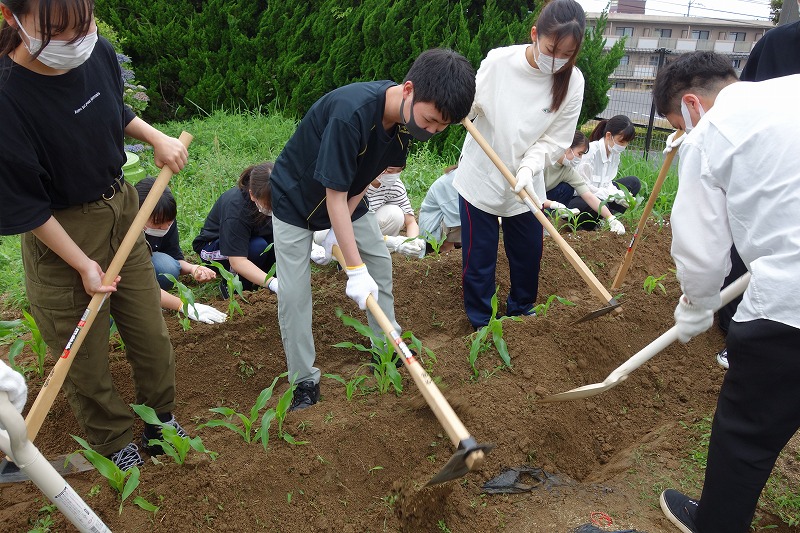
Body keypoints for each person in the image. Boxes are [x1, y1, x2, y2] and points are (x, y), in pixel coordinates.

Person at [0, 0, 188, 470]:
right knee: (84, 358)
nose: (77, 40)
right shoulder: (6, 99)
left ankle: (160, 421)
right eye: (60, 31)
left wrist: (154, 137)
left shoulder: (94, 50)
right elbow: (26, 207)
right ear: (12, 18)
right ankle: (113, 442)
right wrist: (82, 264)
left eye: (84, 24)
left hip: (122, 206)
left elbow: (113, 109)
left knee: (150, 333)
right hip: (61, 232)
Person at [269, 48, 475, 410]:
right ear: (408, 89)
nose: (431, 131)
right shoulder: (351, 114)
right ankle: (303, 380)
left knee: (380, 262)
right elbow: (331, 197)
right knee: (295, 293)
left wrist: (342, 235)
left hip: (347, 195)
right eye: (429, 121)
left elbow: (364, 179)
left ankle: (386, 345)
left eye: (441, 128)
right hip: (295, 199)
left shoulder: (405, 126)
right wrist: (353, 268)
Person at [653, 51, 800, 533]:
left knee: (747, 434)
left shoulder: (711, 134)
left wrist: (695, 305)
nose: (685, 134)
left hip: (789, 305)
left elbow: (700, 250)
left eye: (680, 124)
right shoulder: (791, 89)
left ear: (692, 103)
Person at [453, 0, 586, 330]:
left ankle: (521, 311)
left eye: (566, 55)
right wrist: (459, 110)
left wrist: (528, 168)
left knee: (528, 254)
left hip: (527, 180)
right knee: (479, 259)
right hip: (481, 175)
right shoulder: (500, 62)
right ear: (534, 34)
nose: (555, 61)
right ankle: (481, 322)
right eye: (551, 48)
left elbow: (556, 139)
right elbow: (470, 106)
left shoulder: (573, 83)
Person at [712, 11, 800, 371]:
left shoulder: (777, 42)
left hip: (764, 172)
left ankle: (742, 337)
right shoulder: (777, 43)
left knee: (750, 241)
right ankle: (738, 332)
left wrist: (699, 300)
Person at [133, 177, 225, 325]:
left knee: (167, 267)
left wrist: (193, 268)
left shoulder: (166, 221)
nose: (164, 228)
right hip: (126, 278)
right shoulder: (126, 234)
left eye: (168, 223)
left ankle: (159, 295)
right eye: (157, 223)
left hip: (148, 266)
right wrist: (183, 305)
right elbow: (137, 283)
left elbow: (174, 257)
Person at [192, 162, 279, 297]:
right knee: (258, 246)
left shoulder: (280, 195)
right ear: (252, 195)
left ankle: (260, 277)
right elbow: (238, 261)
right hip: (214, 248)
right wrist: (273, 283)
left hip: (250, 238)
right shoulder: (236, 211)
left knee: (277, 241)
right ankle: (235, 284)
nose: (272, 209)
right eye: (268, 205)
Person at [566, 115, 640, 229]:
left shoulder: (615, 154)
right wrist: (613, 196)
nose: (624, 146)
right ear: (609, 135)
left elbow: (608, 182)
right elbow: (583, 189)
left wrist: (620, 195)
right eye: (622, 141)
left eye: (627, 142)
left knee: (634, 183)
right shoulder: (590, 153)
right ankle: (589, 224)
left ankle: (609, 220)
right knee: (596, 204)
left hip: (601, 194)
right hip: (580, 198)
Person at [544, 131, 625, 235]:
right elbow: (530, 194)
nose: (580, 158)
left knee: (567, 188)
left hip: (544, 200)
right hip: (528, 199)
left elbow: (589, 196)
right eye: (579, 154)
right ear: (567, 148)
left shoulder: (567, 170)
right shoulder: (544, 163)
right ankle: (541, 223)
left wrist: (611, 218)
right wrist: (553, 204)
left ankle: (546, 224)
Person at [365, 165, 425, 258]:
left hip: (370, 224)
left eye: (398, 171)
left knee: (396, 214)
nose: (393, 176)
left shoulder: (395, 185)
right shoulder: (358, 183)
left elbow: (411, 222)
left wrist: (412, 241)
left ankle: (380, 250)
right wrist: (394, 242)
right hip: (349, 227)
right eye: (389, 171)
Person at [418, 165, 461, 253]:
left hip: (443, 221)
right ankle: (446, 248)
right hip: (432, 228)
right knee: (466, 217)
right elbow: (457, 216)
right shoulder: (455, 180)